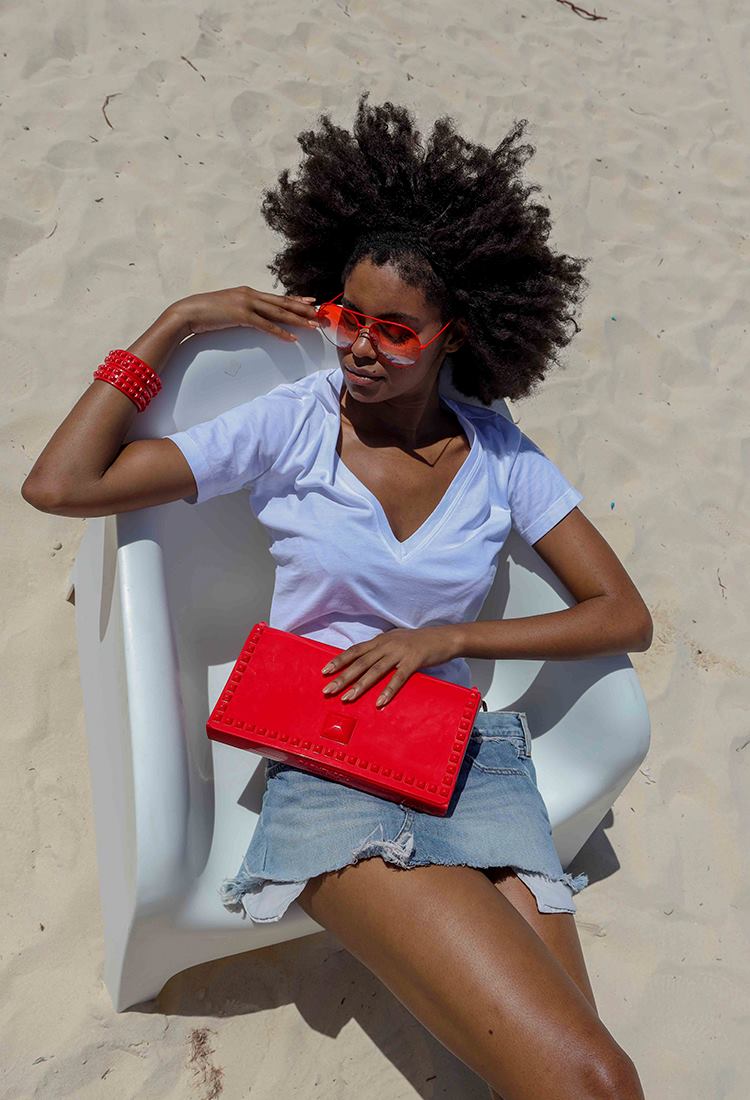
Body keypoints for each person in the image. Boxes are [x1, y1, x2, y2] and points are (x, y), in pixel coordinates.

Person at [22, 92, 650, 1100]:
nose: (359, 347)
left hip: (469, 753)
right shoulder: (289, 424)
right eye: (347, 317)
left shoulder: (496, 452)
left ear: (455, 333)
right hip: (334, 760)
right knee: (594, 1077)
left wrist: (445, 633)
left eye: (396, 331)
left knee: (581, 1075)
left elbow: (624, 614)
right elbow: (62, 484)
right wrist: (177, 319)